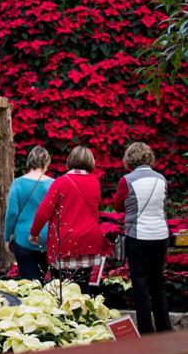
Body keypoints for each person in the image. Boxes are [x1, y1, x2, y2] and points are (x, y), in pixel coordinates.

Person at [29, 146, 104, 294]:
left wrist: (34, 233)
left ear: (70, 160)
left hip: (65, 241)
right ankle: (83, 315)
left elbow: (44, 211)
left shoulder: (61, 182)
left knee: (62, 288)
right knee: (83, 287)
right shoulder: (95, 182)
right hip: (89, 240)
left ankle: (66, 316)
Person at [114, 142, 171, 334]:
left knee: (140, 285)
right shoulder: (161, 179)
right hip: (161, 235)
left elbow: (118, 206)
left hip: (138, 236)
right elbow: (163, 205)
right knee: (158, 283)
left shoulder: (126, 181)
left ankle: (147, 332)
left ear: (129, 158)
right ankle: (165, 329)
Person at [3, 146, 54, 282]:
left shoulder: (18, 183)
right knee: (41, 279)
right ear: (47, 163)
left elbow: (12, 213)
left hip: (23, 239)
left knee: (29, 283)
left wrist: (7, 238)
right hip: (46, 239)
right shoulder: (53, 184)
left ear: (29, 162)